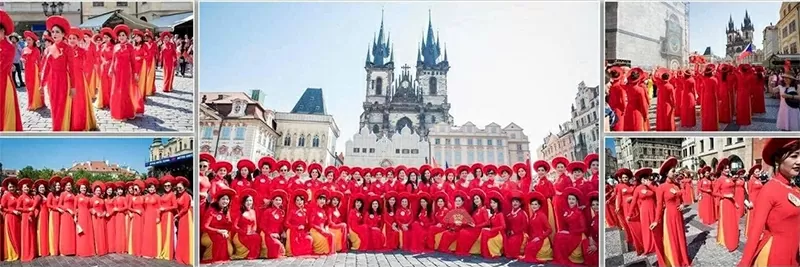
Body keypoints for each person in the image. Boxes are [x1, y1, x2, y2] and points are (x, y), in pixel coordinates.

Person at [739, 138, 800, 266]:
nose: (799, 161)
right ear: (778, 159)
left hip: (794, 254)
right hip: (775, 255)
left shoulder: (795, 189)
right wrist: (745, 263)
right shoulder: (769, 189)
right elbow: (755, 231)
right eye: (794, 156)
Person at [653, 157, 691, 267]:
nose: (675, 173)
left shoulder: (676, 184)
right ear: (666, 173)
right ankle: (674, 260)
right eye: (673, 171)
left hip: (679, 215)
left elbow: (682, 197)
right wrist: (656, 221)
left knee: (680, 237)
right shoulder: (661, 187)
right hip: (669, 216)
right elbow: (659, 206)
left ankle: (682, 257)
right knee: (672, 238)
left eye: (675, 171)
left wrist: (683, 204)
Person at [0, 11, 23, 131]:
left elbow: (3, 66)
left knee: (5, 108)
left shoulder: (9, 47)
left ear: (3, 31)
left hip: (4, 81)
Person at [108, 24, 136, 121]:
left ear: (126, 36)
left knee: (124, 92)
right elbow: (113, 60)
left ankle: (126, 113)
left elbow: (133, 61)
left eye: (123, 35)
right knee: (116, 92)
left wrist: (135, 73)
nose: (121, 37)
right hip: (116, 72)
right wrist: (111, 69)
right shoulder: (115, 46)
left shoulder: (130, 47)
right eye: (119, 36)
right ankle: (117, 112)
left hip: (126, 72)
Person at [201, 187, 235, 263]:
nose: (225, 201)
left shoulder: (226, 210)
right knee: (220, 239)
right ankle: (217, 259)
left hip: (223, 234)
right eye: (223, 199)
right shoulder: (211, 210)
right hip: (209, 233)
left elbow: (229, 225)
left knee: (230, 251)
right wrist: (219, 231)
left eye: (227, 199)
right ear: (218, 200)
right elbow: (205, 226)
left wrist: (226, 232)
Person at [521, 191, 554, 264]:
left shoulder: (542, 215)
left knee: (530, 249)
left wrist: (539, 237)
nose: (534, 206)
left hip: (541, 239)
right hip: (534, 238)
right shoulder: (533, 215)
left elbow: (549, 230)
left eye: (536, 204)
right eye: (532, 204)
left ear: (539, 205)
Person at [174, 176, 195, 265]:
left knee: (185, 235)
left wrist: (177, 216)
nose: (179, 189)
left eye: (180, 188)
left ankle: (186, 255)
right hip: (181, 216)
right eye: (177, 188)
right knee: (181, 235)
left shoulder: (186, 196)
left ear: (185, 188)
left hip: (186, 216)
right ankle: (181, 254)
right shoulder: (178, 195)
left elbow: (185, 208)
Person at [21, 31, 44, 111]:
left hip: (34, 70)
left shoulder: (36, 50)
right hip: (27, 69)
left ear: (33, 41)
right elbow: (22, 57)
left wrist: (40, 71)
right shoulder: (24, 49)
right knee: (28, 86)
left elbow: (39, 61)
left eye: (29, 40)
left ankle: (35, 103)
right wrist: (23, 60)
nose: (28, 41)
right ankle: (30, 102)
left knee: (34, 86)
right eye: (27, 40)